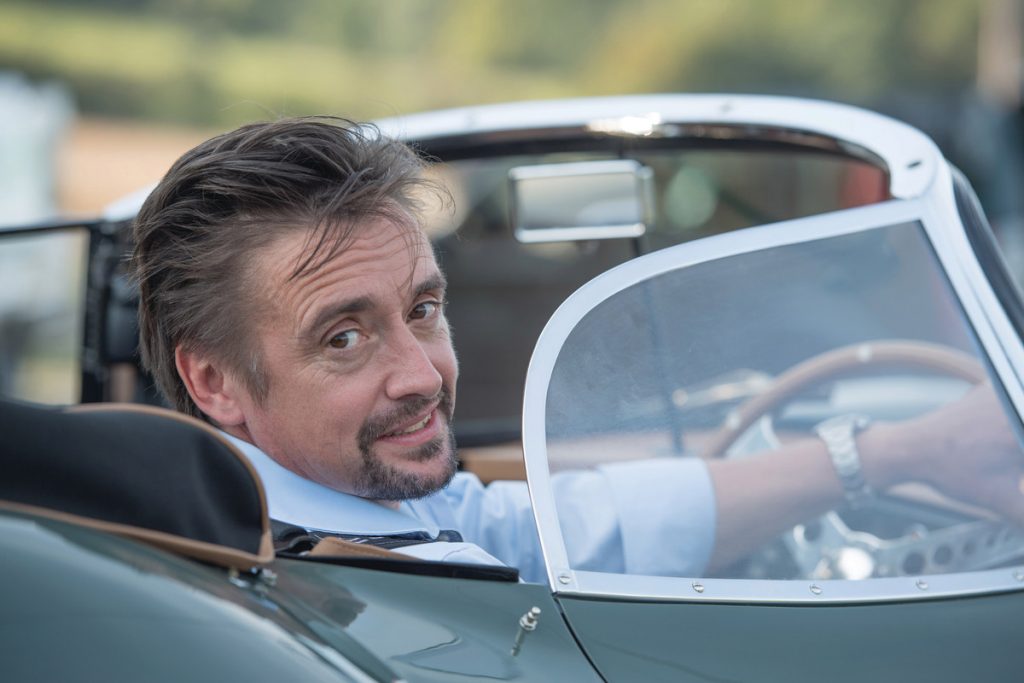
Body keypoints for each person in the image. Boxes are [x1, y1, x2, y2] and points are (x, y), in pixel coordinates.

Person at [131, 117, 1024, 583]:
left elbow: (558, 526)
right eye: (346, 337)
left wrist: (894, 450)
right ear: (212, 380)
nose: (422, 374)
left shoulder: (348, 506)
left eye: (425, 307)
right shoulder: (336, 570)